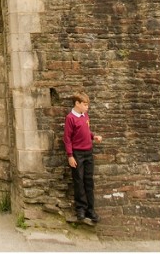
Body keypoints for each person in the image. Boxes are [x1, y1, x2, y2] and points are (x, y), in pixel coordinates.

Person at [64, 92, 103, 225]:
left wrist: (93, 136)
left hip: (88, 152)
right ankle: (80, 209)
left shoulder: (85, 115)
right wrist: (70, 156)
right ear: (77, 104)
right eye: (85, 105)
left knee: (88, 181)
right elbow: (67, 138)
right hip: (77, 154)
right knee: (79, 181)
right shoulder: (70, 118)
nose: (87, 107)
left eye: (87, 105)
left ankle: (90, 210)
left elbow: (86, 130)